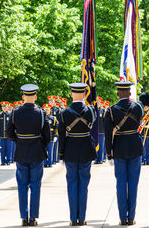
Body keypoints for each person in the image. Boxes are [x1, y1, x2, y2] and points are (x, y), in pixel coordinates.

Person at [7, 84, 50, 226]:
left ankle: (24, 217)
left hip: (21, 152)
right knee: (36, 185)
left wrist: (20, 141)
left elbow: (9, 133)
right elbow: (47, 136)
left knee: (22, 185)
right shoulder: (41, 113)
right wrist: (39, 144)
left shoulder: (15, 112)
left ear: (23, 96)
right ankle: (33, 217)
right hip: (37, 152)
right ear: (35, 97)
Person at [104, 82, 144, 226]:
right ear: (130, 94)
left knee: (121, 183)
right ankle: (131, 217)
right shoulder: (138, 107)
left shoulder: (111, 110)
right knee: (133, 183)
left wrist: (109, 154)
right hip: (135, 146)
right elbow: (140, 118)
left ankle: (122, 217)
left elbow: (108, 135)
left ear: (118, 94)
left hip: (120, 148)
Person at [58, 83, 97, 226]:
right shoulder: (90, 111)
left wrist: (61, 154)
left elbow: (62, 135)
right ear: (84, 95)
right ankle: (82, 218)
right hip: (86, 149)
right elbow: (93, 126)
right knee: (84, 185)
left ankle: (73, 218)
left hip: (70, 150)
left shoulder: (64, 113)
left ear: (71, 94)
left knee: (72, 184)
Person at [95, 97, 106, 164]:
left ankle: (101, 159)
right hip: (95, 131)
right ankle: (96, 159)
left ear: (100, 103)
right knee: (96, 146)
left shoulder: (103, 111)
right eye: (96, 102)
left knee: (101, 146)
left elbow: (105, 121)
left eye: (98, 102)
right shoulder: (94, 110)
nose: (97, 104)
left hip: (102, 131)